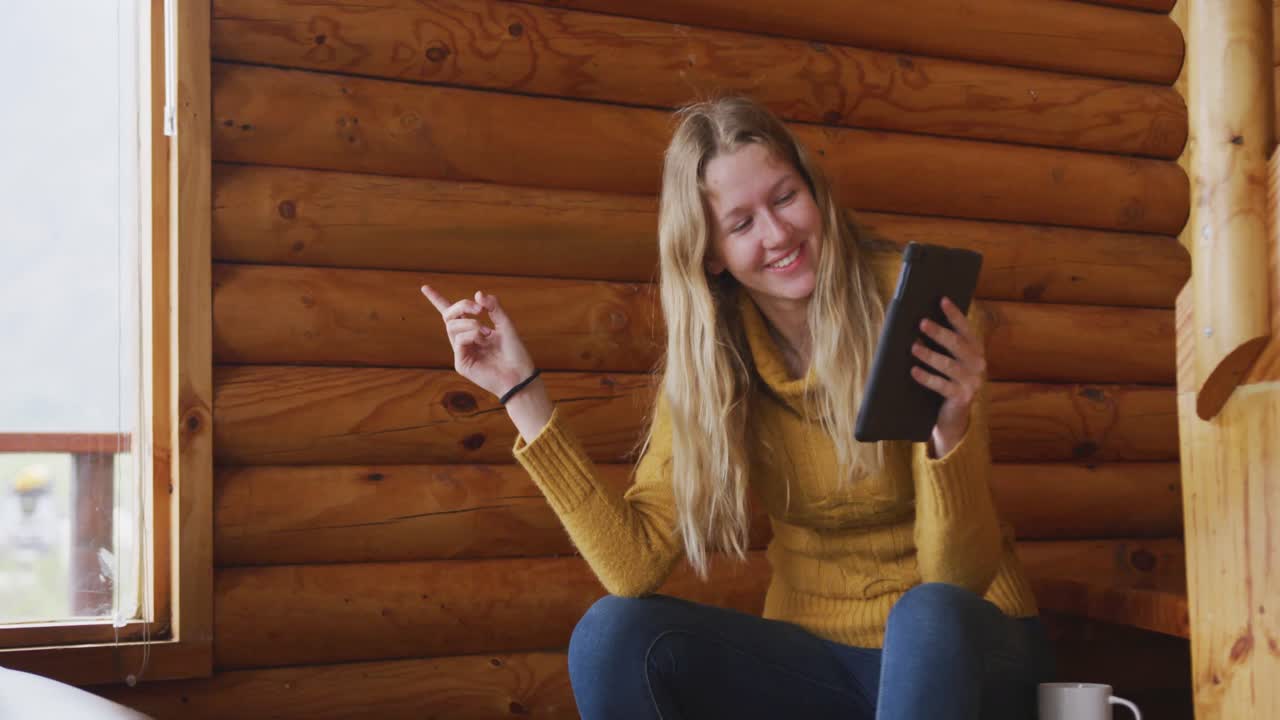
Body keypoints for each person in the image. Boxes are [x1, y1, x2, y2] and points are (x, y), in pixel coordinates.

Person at [420, 96, 1053, 720]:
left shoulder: (911, 309)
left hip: (968, 650)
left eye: (784, 198)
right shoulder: (716, 357)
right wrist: (520, 391)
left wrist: (951, 431)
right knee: (614, 633)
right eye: (742, 223)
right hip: (822, 659)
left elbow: (956, 577)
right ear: (712, 254)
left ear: (815, 194)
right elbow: (632, 565)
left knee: (927, 612)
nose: (778, 234)